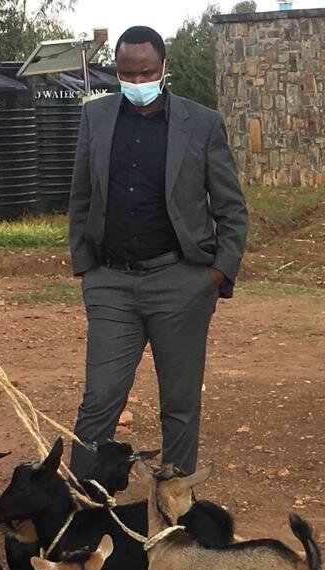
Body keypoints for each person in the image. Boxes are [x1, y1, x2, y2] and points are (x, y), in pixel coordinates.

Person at [67, 25, 248, 478]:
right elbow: (81, 195)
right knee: (99, 402)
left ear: (165, 69)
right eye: (127, 73)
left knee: (180, 404)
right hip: (112, 283)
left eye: (146, 72)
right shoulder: (97, 117)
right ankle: (81, 505)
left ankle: (177, 509)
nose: (137, 82)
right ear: (116, 70)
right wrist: (88, 269)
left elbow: (231, 207)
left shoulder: (202, 124)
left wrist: (215, 274)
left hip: (180, 282)